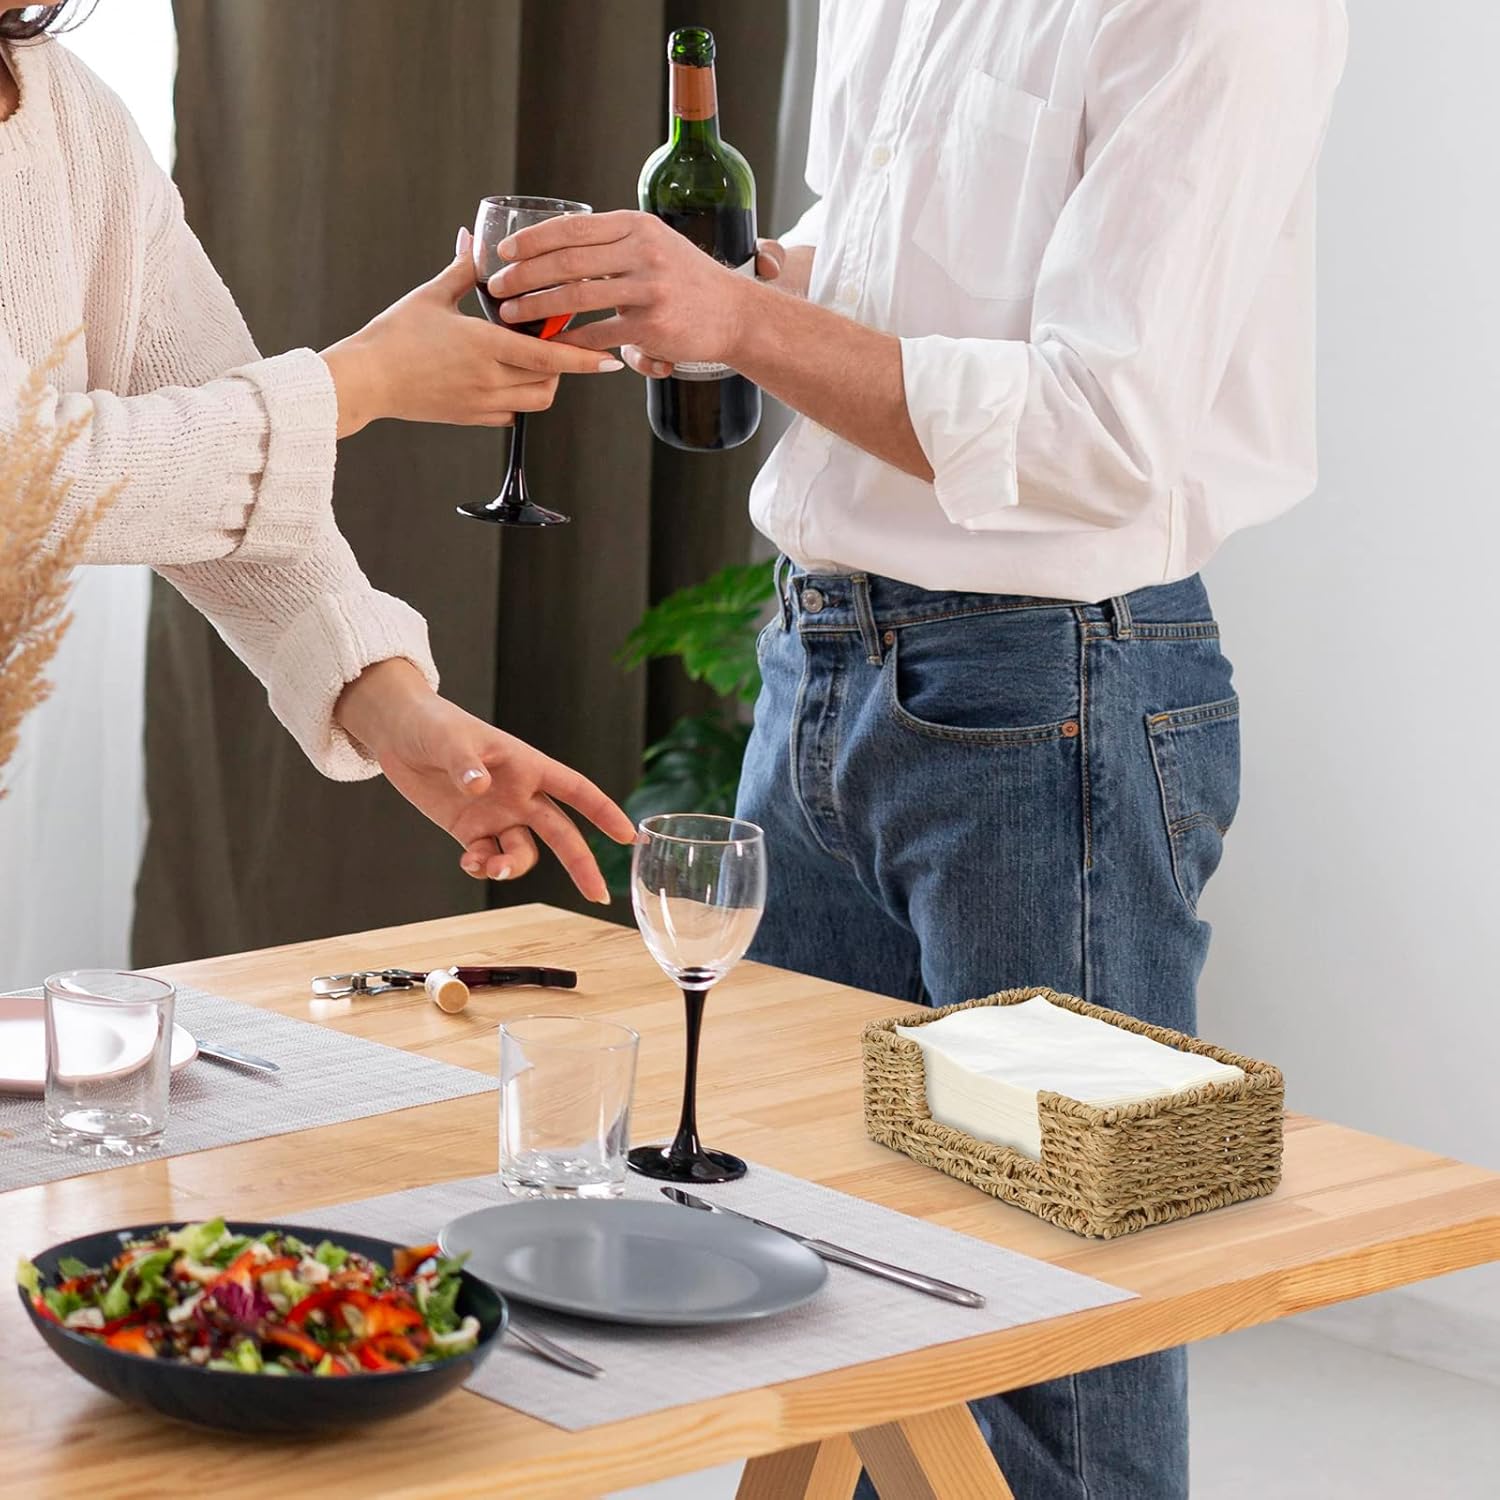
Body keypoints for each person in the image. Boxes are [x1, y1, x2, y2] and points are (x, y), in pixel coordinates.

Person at [494, 0, 1348, 1494]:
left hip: (1050, 695)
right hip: (816, 655)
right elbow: (897, 248)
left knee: (1056, 1333)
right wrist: (747, 283)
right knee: (797, 1258)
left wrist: (742, 324)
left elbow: (1101, 431)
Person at [0, 4, 633, 900]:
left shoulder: (64, 102)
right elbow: (21, 477)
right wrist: (358, 383)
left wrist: (386, 697)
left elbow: (210, 442)